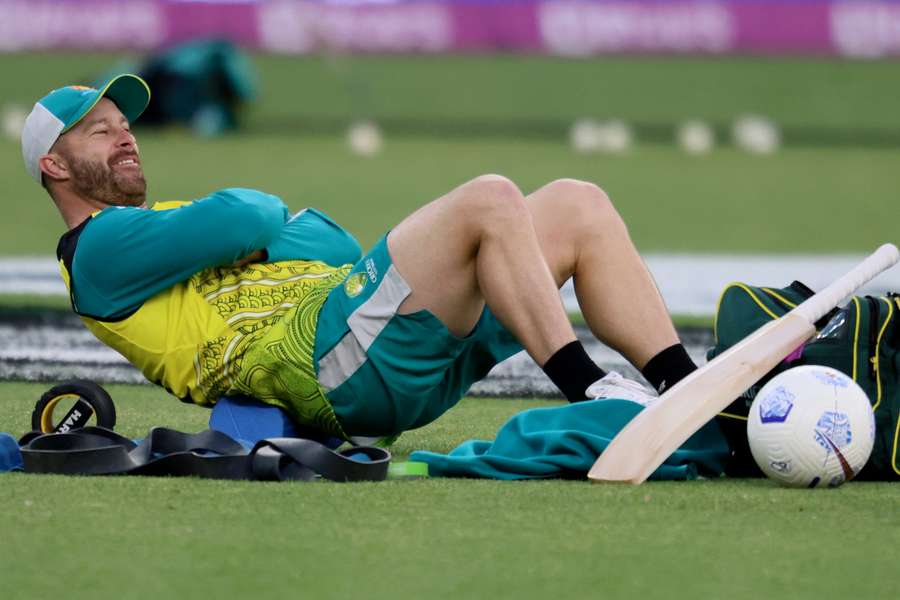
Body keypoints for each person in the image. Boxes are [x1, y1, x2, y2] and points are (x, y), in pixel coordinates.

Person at [21, 75, 699, 441]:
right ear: (54, 165)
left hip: (362, 341)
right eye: (100, 132)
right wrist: (249, 236)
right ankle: (593, 393)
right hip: (316, 363)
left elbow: (332, 243)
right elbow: (257, 216)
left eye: (127, 127)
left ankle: (688, 390)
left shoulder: (163, 225)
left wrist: (244, 236)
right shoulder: (97, 251)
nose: (126, 139)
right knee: (490, 199)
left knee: (577, 204)